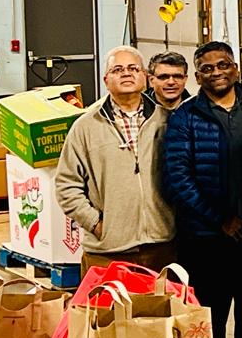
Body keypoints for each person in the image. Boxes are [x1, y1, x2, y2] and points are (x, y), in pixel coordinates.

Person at [163, 41, 242, 338]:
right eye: (207, 69)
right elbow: (177, 177)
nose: (217, 73)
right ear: (197, 77)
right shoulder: (185, 117)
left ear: (236, 68)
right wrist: (220, 219)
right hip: (205, 241)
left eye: (223, 65)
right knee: (210, 324)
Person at [56, 46, 175, 276]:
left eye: (133, 68)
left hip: (161, 247)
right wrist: (96, 224)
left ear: (145, 77)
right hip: (107, 253)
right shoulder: (85, 127)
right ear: (106, 80)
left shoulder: (166, 121)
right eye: (117, 69)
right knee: (105, 301)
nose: (126, 73)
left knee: (164, 301)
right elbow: (66, 185)